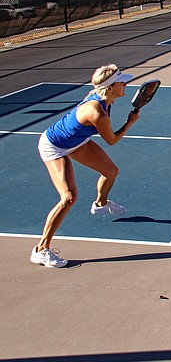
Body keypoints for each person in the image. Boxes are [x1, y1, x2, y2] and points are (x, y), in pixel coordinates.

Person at [32, 65, 140, 268]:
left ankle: (101, 204)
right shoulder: (97, 113)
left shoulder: (105, 100)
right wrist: (130, 122)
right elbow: (112, 140)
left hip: (76, 142)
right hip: (54, 147)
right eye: (121, 82)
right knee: (69, 198)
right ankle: (41, 249)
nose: (125, 84)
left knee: (111, 172)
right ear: (109, 87)